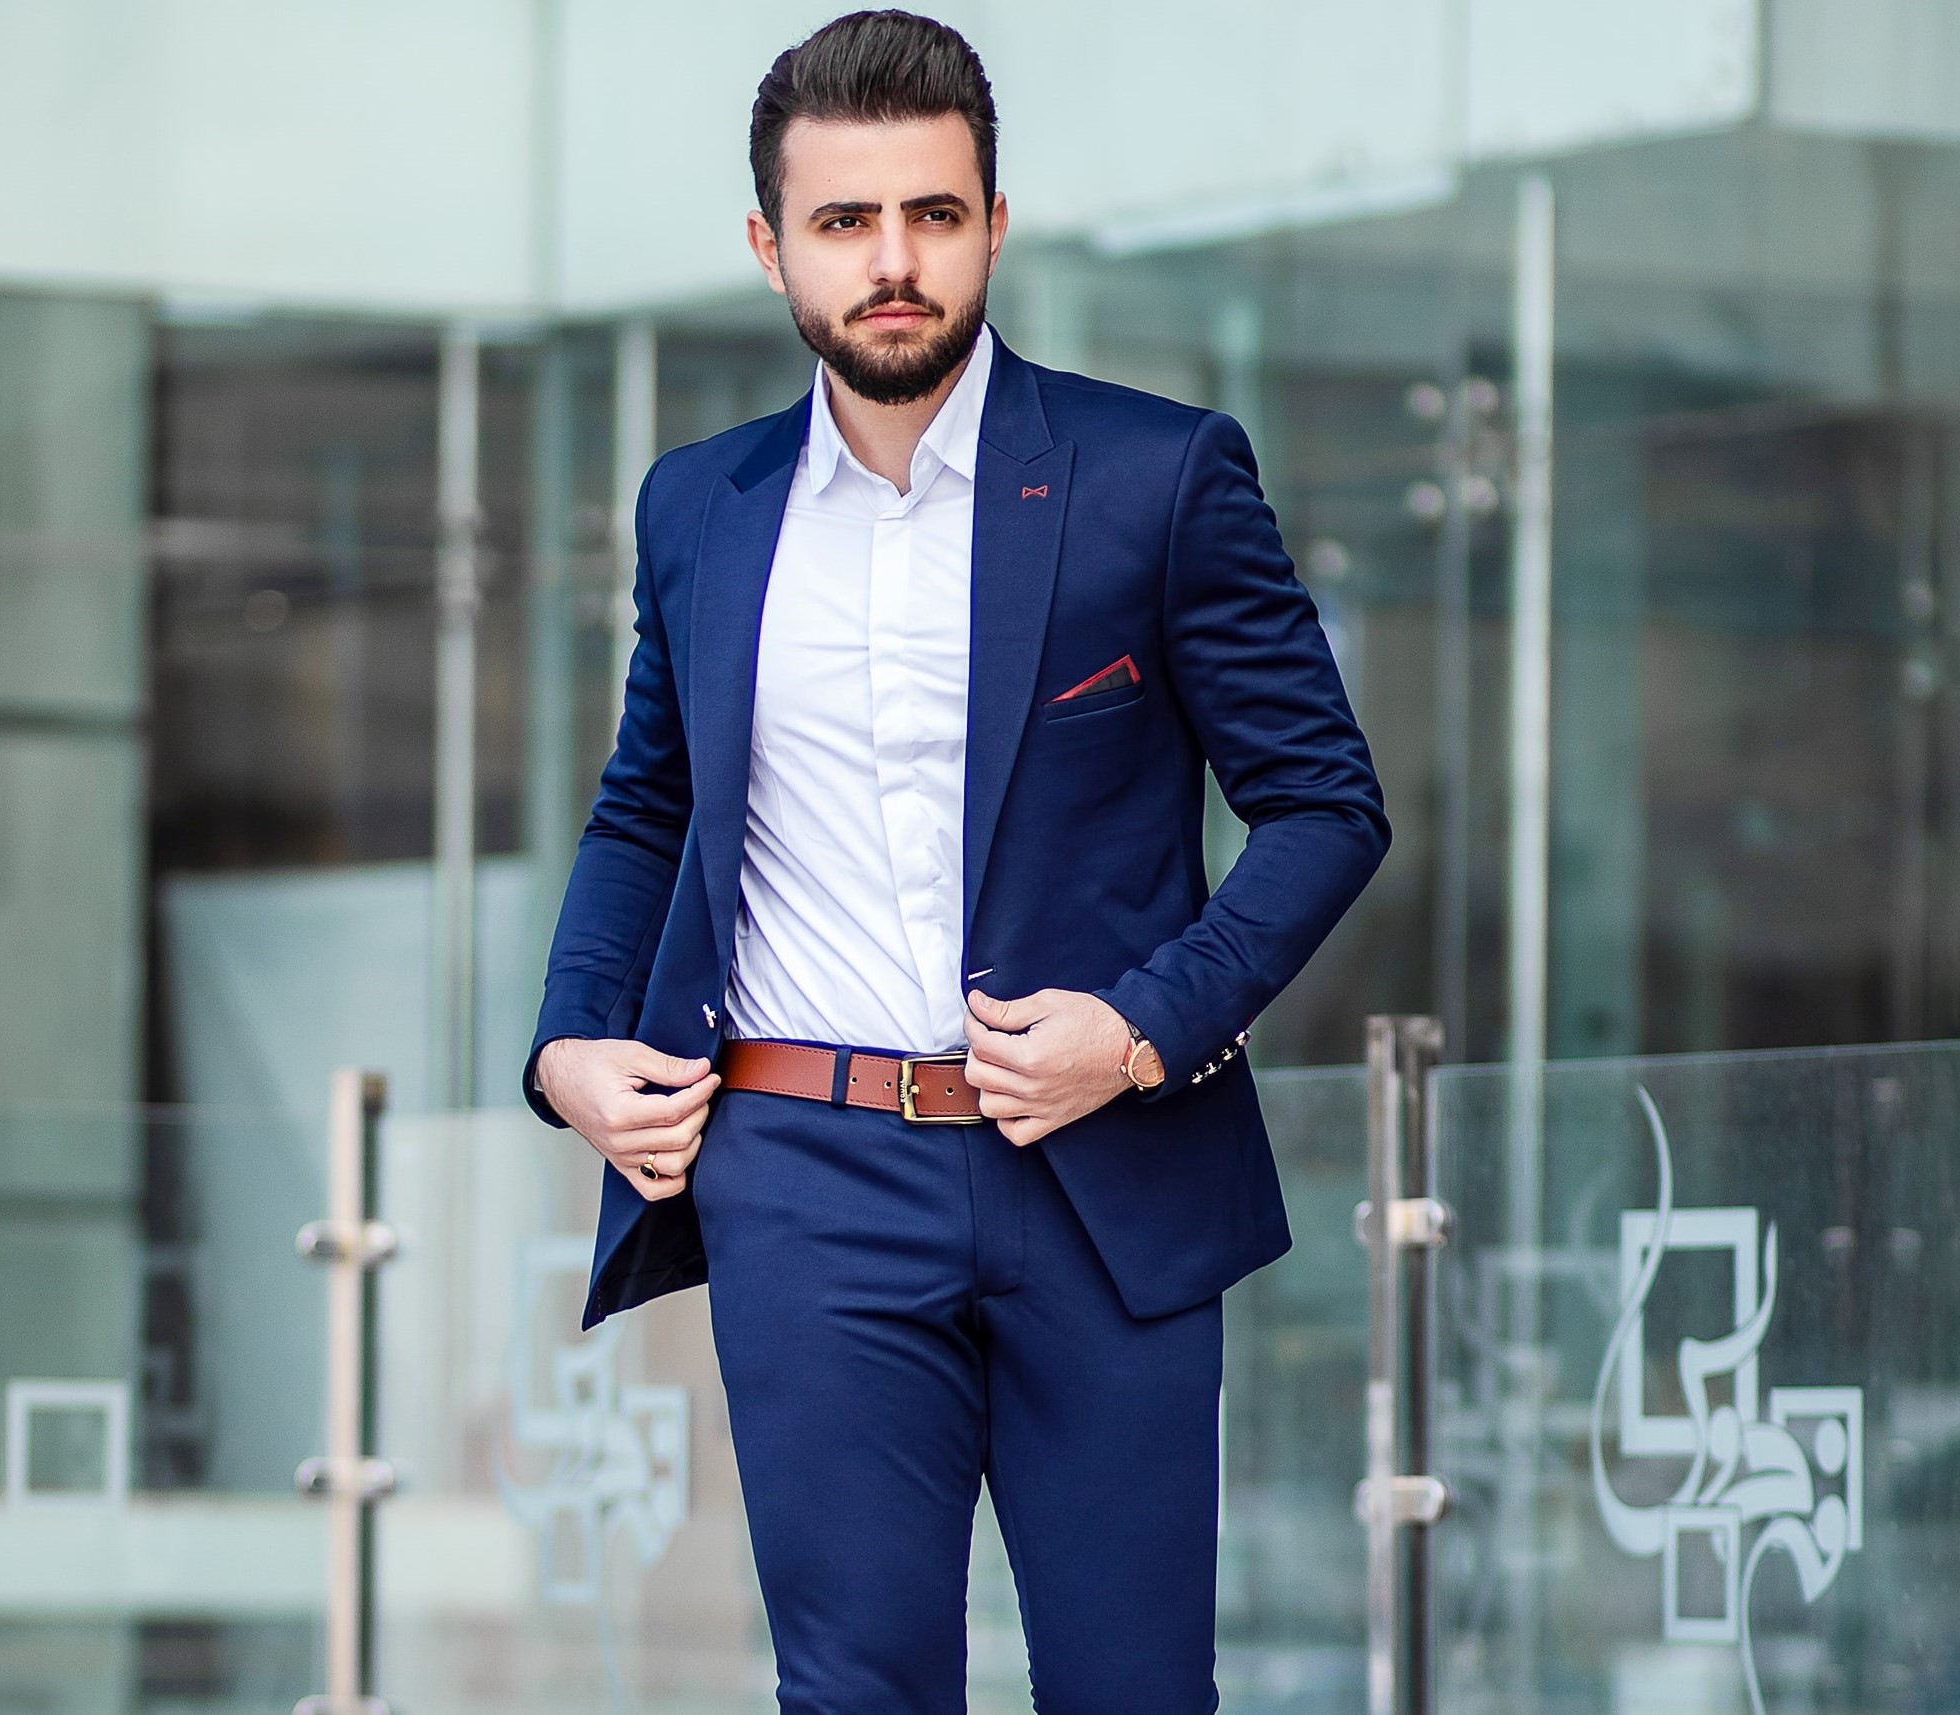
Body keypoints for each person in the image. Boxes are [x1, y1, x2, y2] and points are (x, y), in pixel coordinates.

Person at [525, 11, 1388, 1711]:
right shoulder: (697, 509)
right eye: (845, 224)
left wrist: (1140, 1031)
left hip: (1105, 1169)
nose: (895, 262)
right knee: (858, 1692)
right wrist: (568, 1046)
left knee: (1135, 1692)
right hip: (806, 1170)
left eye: (933, 213)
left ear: (996, 220)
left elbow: (1325, 807)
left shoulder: (1157, 476)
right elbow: (649, 803)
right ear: (772, 248)